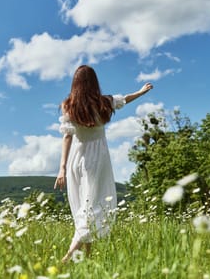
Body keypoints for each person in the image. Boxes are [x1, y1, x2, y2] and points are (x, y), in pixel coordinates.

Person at [54, 65, 153, 263]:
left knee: (86, 206)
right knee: (92, 207)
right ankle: (66, 260)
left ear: (75, 84)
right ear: (94, 83)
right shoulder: (104, 102)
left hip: (76, 159)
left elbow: (67, 137)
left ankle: (86, 261)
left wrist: (62, 168)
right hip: (96, 159)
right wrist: (141, 92)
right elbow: (125, 99)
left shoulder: (69, 105)